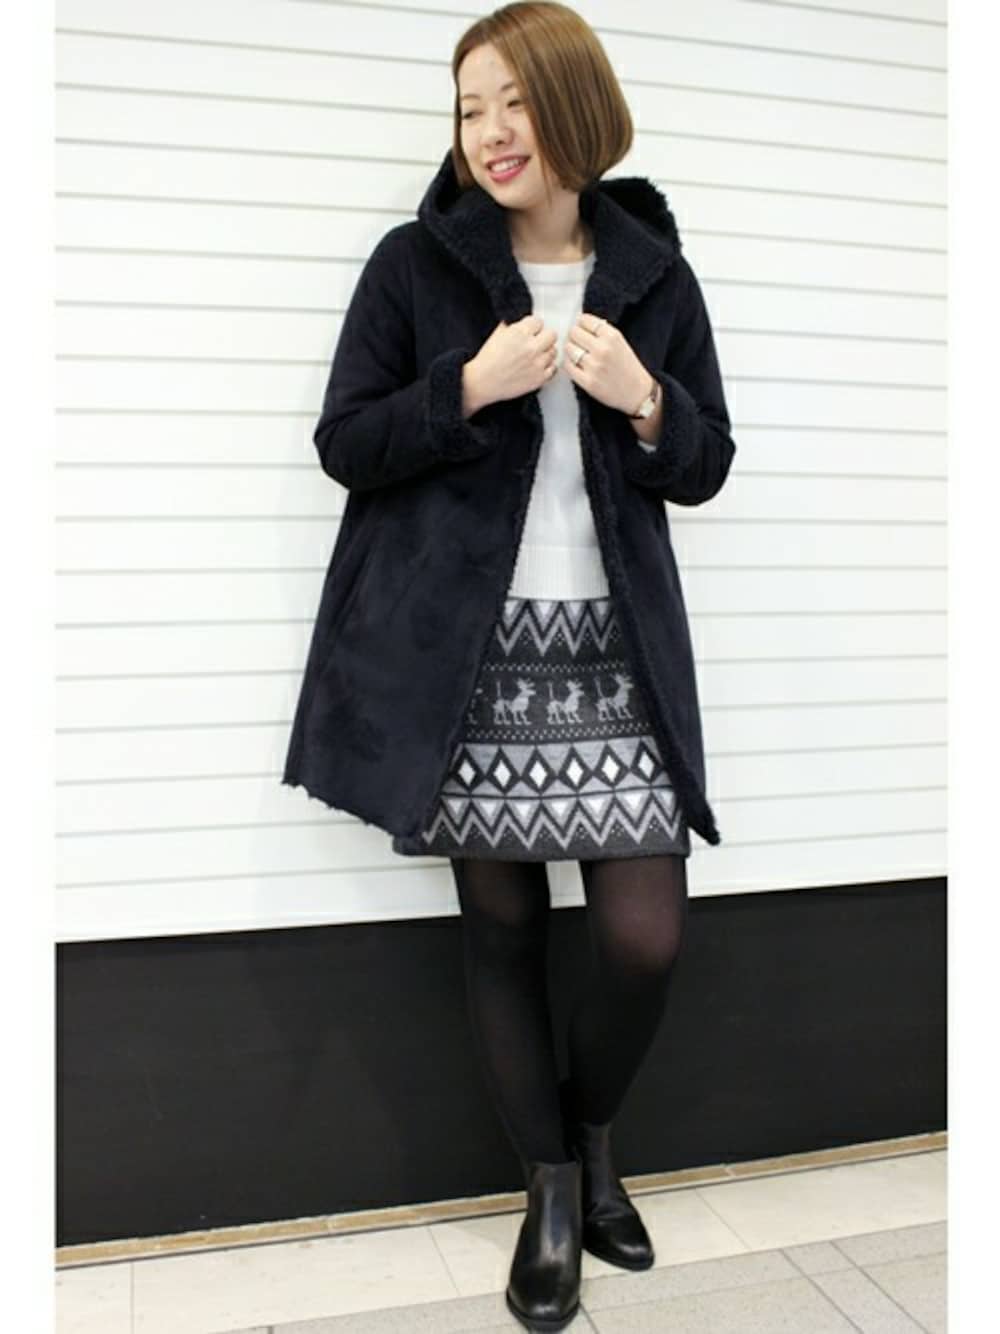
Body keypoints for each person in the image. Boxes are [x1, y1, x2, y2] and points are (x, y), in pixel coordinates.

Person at [283, 3, 736, 1328]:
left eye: (513, 101)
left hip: (614, 655)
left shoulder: (654, 277)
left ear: (575, 107)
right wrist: (468, 387)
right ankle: (550, 1191)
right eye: (469, 106)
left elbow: (706, 462)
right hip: (471, 656)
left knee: (643, 938)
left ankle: (593, 1140)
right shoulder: (415, 266)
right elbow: (345, 441)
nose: (488, 131)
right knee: (504, 929)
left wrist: (644, 397)